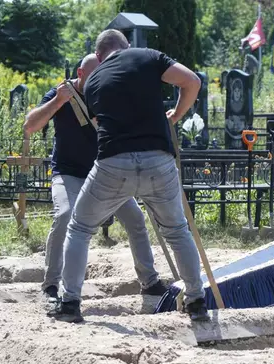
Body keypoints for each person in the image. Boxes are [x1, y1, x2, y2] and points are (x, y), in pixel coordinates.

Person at [49, 30, 208, 323]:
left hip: (114, 162)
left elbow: (100, 121)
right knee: (177, 230)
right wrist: (176, 115)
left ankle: (70, 303)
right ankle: (197, 300)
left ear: (99, 56)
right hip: (158, 159)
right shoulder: (148, 56)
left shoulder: (93, 80)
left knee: (80, 228)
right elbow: (192, 82)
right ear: (127, 47)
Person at [23, 54, 166, 303]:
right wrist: (58, 101)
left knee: (135, 219)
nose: (100, 80)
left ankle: (150, 281)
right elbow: (29, 126)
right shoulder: (60, 92)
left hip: (104, 174)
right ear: (80, 74)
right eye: (93, 76)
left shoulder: (108, 94)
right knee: (65, 215)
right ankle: (51, 285)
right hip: (68, 174)